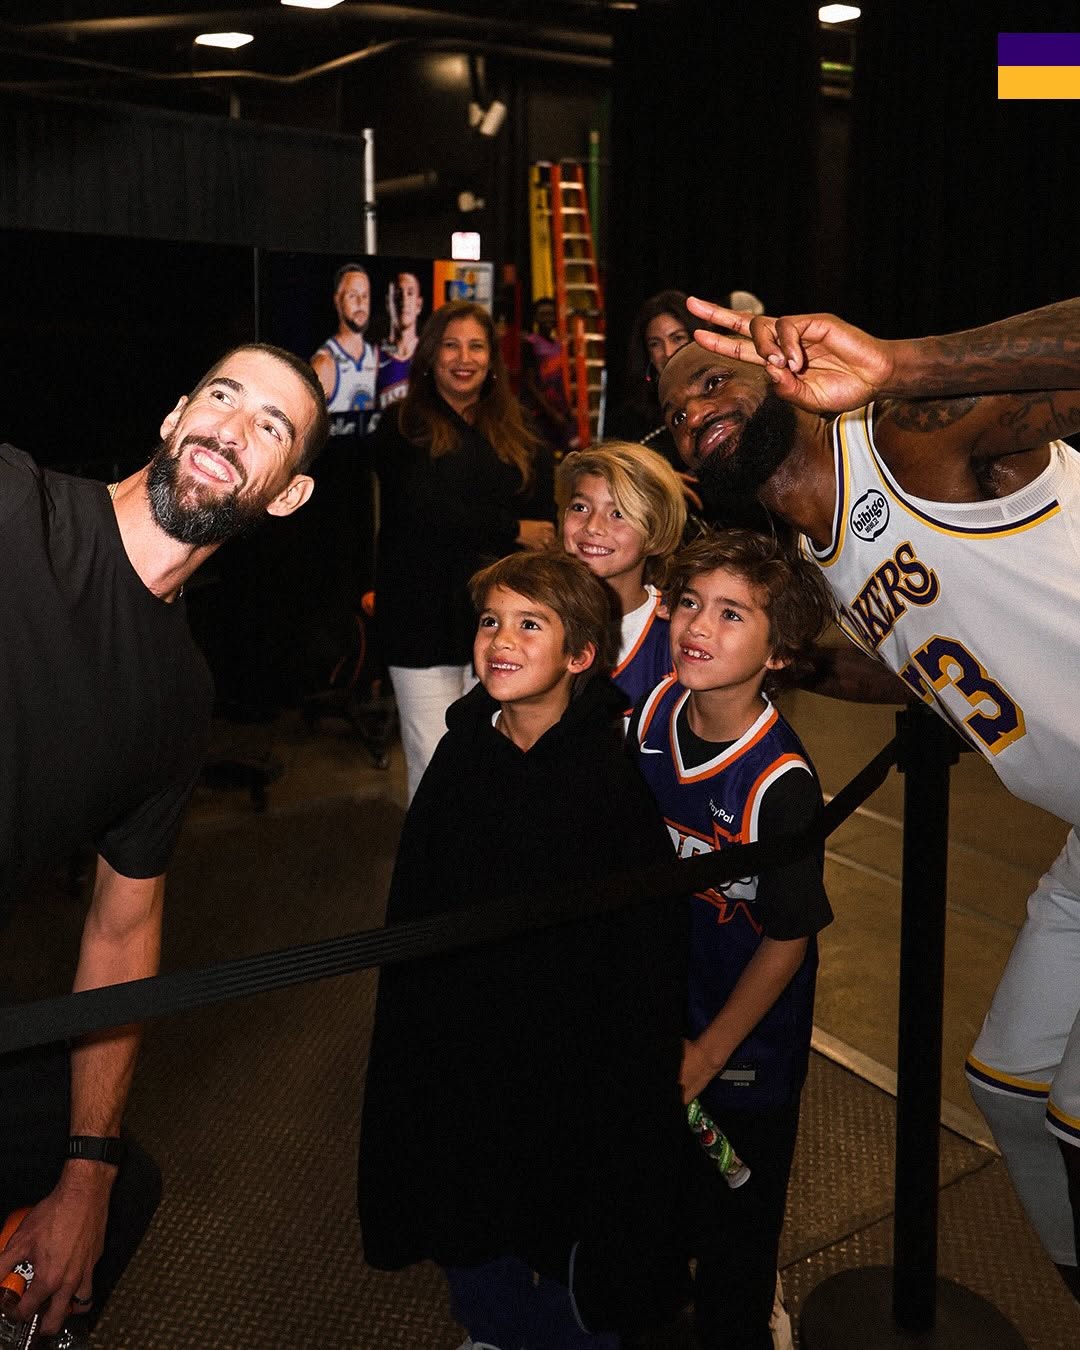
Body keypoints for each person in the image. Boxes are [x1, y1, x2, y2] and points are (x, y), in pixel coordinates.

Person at [660, 294, 1080, 1296]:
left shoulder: (911, 442)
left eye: (711, 377)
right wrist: (803, 669)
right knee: (1010, 1089)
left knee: (1073, 1115)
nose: (694, 409)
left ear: (779, 368)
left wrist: (904, 362)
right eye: (674, 412)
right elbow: (937, 674)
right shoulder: (821, 552)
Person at [0, 343, 326, 1337]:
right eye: (223, 397)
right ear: (175, 413)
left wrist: (86, 1172)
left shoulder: (180, 698)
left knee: (119, 1191)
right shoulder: (18, 508)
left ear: (288, 496)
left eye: (271, 425)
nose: (234, 426)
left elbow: (121, 924)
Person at [359, 549, 722, 1350]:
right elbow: (421, 907)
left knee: (572, 1207)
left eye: (531, 624)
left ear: (581, 655)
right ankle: (491, 1325)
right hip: (470, 1044)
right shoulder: (461, 757)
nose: (500, 640)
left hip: (573, 1055)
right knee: (469, 1191)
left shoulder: (605, 775)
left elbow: (642, 943)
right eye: (491, 621)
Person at [628, 528, 833, 1350]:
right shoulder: (652, 715)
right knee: (656, 1215)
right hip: (658, 1026)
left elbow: (788, 941)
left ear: (778, 649)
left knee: (736, 1242)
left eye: (731, 614)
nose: (696, 627)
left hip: (740, 1054)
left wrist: (709, 1055)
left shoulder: (780, 782)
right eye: (688, 604)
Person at [372, 300, 555, 802]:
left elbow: (545, 512)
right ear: (430, 356)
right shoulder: (400, 425)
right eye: (451, 345)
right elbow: (424, 509)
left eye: (476, 345)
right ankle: (431, 877)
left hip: (498, 625)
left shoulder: (517, 429)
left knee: (492, 760)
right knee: (435, 765)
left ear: (492, 358)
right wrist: (512, 527)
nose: (464, 357)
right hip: (421, 624)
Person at [558, 440, 685, 713]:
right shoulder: (533, 611)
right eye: (580, 507)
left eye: (618, 513)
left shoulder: (679, 629)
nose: (592, 527)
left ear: (655, 532)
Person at [606, 290, 697, 468]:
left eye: (678, 338)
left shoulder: (721, 399)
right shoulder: (630, 418)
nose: (668, 352)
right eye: (655, 344)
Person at [310, 263, 378, 413]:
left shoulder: (375, 356)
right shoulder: (325, 364)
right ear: (337, 301)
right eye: (353, 295)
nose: (361, 303)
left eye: (365, 295)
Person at [520, 296, 576, 457]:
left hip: (560, 408)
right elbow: (530, 383)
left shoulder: (559, 344)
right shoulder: (530, 343)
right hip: (540, 411)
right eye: (543, 314)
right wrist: (551, 413)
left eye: (551, 314)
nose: (548, 319)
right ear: (535, 317)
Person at [375, 270, 425, 412]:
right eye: (398, 293)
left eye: (410, 293)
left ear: (419, 304)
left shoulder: (430, 354)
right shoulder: (374, 355)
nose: (403, 300)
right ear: (388, 302)